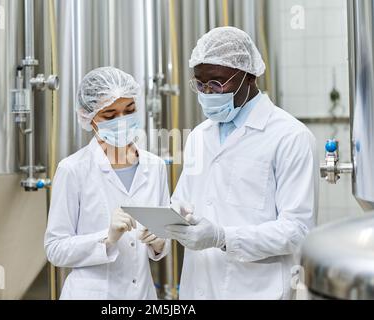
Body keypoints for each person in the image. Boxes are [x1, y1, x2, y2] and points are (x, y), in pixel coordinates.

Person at [165, 26, 319, 300]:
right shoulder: (199, 135)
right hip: (198, 287)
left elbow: (298, 231)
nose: (208, 93)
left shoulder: (290, 136)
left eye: (217, 83)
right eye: (200, 84)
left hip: (253, 290)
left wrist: (223, 237)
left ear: (249, 76)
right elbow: (184, 202)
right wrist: (165, 226)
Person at [44, 66, 170, 300]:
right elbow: (55, 249)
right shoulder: (72, 169)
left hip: (143, 295)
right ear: (90, 118)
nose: (122, 121)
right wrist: (107, 238)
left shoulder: (155, 167)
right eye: (110, 116)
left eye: (129, 110)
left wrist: (161, 243)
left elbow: (160, 244)